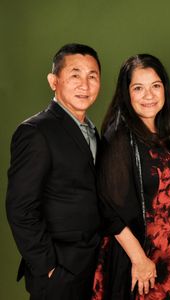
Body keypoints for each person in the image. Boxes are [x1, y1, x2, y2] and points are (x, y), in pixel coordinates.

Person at [91, 54, 170, 299]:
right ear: (127, 94)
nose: (149, 95)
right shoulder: (119, 137)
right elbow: (108, 210)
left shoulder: (167, 131)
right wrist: (139, 260)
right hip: (144, 259)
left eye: (155, 86)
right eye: (138, 88)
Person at [6, 43, 102, 299]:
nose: (85, 84)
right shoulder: (35, 132)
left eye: (92, 76)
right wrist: (48, 268)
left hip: (92, 266)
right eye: (75, 75)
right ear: (53, 81)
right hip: (59, 270)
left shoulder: (93, 131)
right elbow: (20, 208)